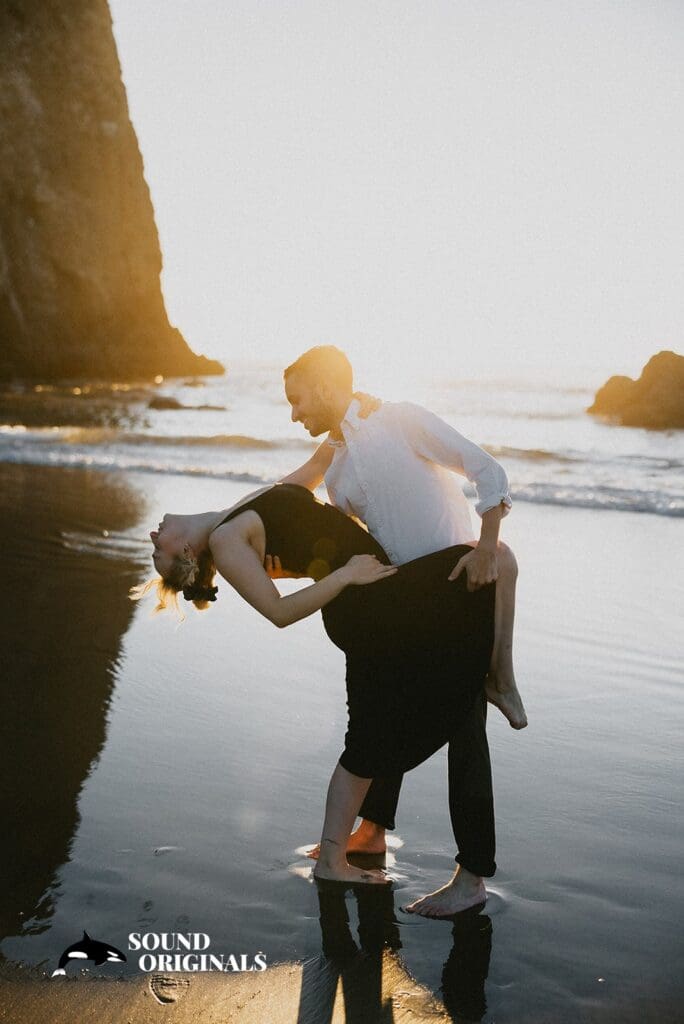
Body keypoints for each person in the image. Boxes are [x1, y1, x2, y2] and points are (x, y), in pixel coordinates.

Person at [136, 480, 497, 904]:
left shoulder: (234, 516)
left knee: (372, 722)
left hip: (366, 595)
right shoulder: (225, 538)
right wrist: (345, 574)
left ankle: (360, 840)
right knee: (480, 560)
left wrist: (351, 420)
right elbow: (279, 612)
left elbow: (309, 477)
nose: (152, 536)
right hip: (364, 601)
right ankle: (497, 678)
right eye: (158, 552)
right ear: (185, 553)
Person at [273, 345, 525, 917]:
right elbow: (293, 496)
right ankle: (371, 833)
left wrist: (487, 548)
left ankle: (472, 878)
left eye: (297, 400)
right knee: (379, 702)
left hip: (459, 589)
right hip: (404, 600)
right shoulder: (335, 464)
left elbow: (486, 467)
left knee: (464, 727)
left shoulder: (402, 420)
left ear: (327, 386)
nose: (293, 415)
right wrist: (216, 531)